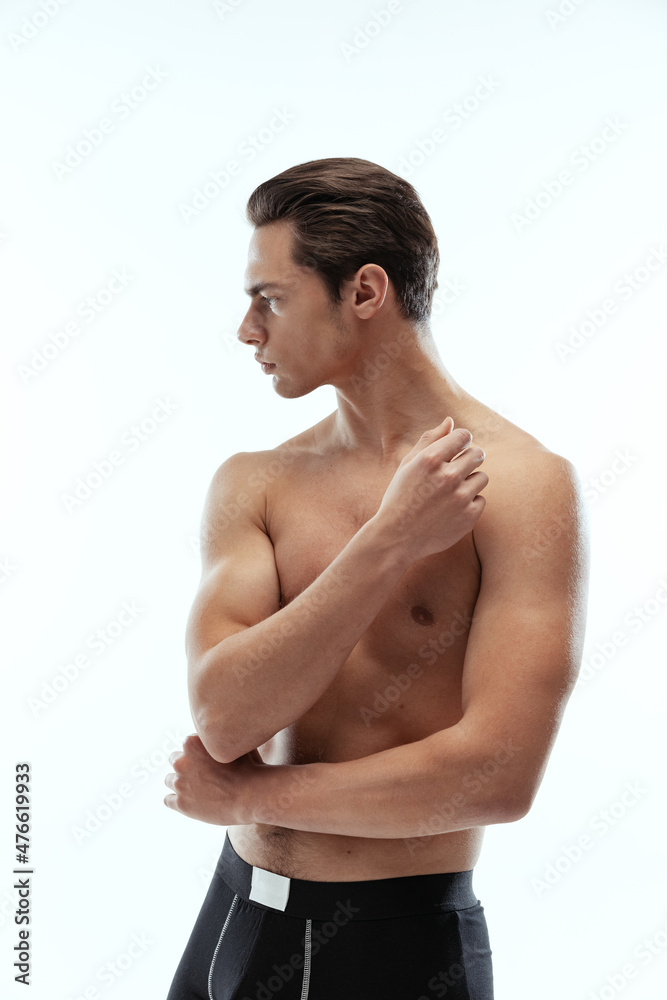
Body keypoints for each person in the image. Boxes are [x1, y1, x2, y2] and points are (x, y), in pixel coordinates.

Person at [164, 157, 590, 1000]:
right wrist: (386, 544)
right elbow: (223, 717)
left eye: (271, 298)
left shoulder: (523, 486)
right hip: (233, 918)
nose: (248, 330)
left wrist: (252, 796)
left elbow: (496, 776)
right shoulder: (255, 481)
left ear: (363, 292)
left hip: (395, 948)